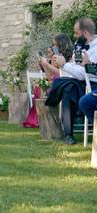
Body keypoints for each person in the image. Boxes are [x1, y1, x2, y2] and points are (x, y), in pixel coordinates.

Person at [45, 17, 97, 145]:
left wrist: (64, 65)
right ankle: (68, 134)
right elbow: (76, 67)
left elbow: (85, 72)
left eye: (76, 33)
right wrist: (66, 64)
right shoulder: (78, 45)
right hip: (79, 81)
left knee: (67, 85)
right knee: (67, 86)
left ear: (85, 33)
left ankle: (69, 132)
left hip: (92, 83)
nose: (74, 36)